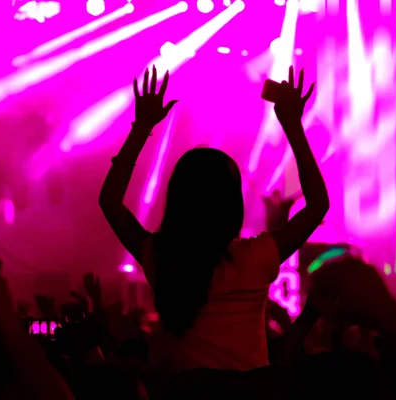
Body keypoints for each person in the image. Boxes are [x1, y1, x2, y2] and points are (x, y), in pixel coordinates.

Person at [99, 66, 329, 374]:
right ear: (231, 206)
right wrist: (293, 126)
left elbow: (110, 202)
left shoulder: (162, 258)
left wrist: (140, 128)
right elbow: (317, 207)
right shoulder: (252, 258)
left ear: (177, 199)